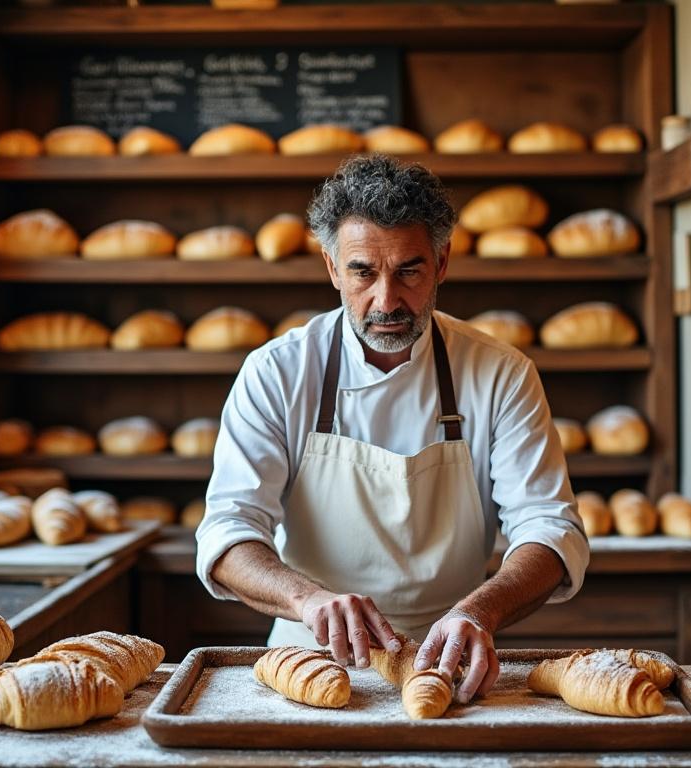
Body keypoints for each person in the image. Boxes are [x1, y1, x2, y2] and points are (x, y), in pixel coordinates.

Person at [195, 154, 587, 703]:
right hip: (308, 656)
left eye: (409, 270)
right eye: (362, 272)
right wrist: (308, 600)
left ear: (442, 263)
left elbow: (550, 530)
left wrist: (479, 611)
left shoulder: (500, 373)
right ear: (332, 268)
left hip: (450, 658)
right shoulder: (279, 371)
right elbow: (228, 533)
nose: (386, 301)